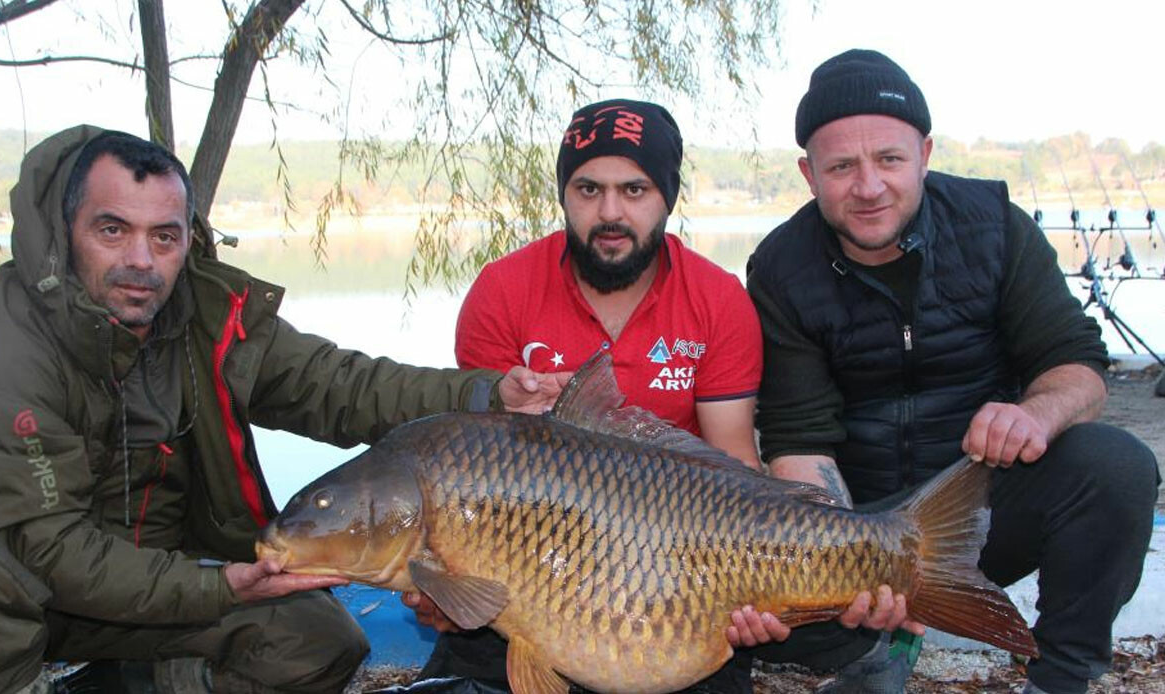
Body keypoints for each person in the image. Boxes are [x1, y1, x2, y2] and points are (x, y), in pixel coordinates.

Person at [0, 126, 569, 694]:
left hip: (161, 584)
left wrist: (489, 396)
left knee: (317, 642)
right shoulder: (3, 350)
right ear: (69, 229)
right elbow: (51, 550)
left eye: (164, 236)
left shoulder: (204, 315)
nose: (142, 261)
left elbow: (341, 386)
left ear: (188, 239)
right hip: (36, 596)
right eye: (112, 230)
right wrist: (217, 585)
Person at [743, 49, 1160, 694]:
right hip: (859, 515)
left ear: (925, 154)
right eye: (842, 167)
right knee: (749, 597)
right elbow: (799, 439)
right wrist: (844, 558)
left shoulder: (995, 228)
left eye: (889, 159)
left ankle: (1061, 676)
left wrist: (1034, 413)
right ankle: (870, 653)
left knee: (1116, 467)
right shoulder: (779, 267)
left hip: (981, 504)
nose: (869, 186)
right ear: (808, 173)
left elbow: (1079, 366)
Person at [404, 99, 768, 692]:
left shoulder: (718, 300)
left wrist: (753, 585)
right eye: (588, 188)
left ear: (666, 197)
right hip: (528, 578)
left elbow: (737, 463)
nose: (610, 212)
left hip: (684, 575)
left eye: (634, 189)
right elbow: (468, 476)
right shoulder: (502, 292)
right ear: (564, 194)